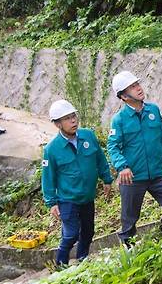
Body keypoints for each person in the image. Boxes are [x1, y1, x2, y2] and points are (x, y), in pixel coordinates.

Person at [107, 71, 162, 246]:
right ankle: (129, 251)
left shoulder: (153, 110)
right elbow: (113, 146)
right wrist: (122, 166)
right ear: (124, 96)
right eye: (132, 87)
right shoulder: (119, 120)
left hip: (156, 174)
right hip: (132, 177)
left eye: (138, 84)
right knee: (129, 221)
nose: (139, 88)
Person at [41, 99, 112, 266]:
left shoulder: (88, 136)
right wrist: (51, 203)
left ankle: (82, 259)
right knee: (71, 234)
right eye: (67, 119)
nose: (73, 121)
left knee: (88, 232)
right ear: (58, 124)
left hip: (87, 196)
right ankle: (61, 264)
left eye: (74, 116)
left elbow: (100, 159)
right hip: (68, 199)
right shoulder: (51, 149)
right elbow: (48, 177)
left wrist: (107, 179)